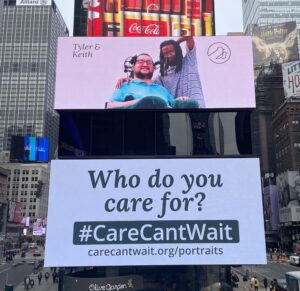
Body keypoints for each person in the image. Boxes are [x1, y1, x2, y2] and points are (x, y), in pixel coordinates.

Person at [107, 53, 175, 109]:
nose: (145, 64)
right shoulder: (124, 86)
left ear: (154, 68)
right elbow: (109, 106)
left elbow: (176, 107)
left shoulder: (163, 90)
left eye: (149, 62)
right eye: (140, 61)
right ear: (133, 67)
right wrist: (138, 102)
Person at [154, 36, 205, 108]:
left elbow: (188, 36)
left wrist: (176, 43)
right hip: (178, 113)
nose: (169, 55)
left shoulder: (189, 61)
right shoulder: (160, 77)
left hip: (198, 108)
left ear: (177, 50)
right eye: (165, 53)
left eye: (171, 51)